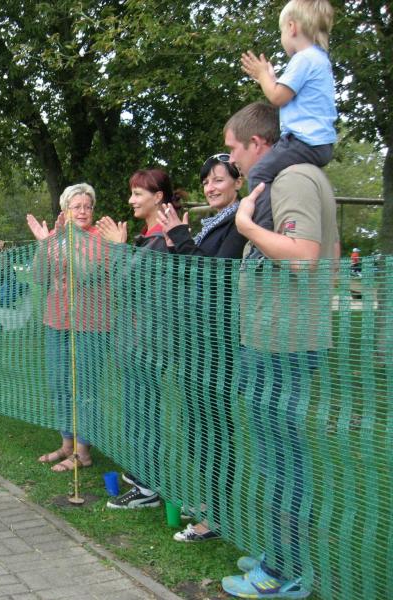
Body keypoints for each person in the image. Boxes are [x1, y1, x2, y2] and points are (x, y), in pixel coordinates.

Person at [220, 101, 338, 599]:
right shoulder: (284, 179)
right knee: (276, 457)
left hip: (284, 343)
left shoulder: (293, 180)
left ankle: (282, 571)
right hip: (274, 339)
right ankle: (279, 553)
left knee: (282, 461)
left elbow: (304, 258)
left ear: (258, 143)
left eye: (233, 149)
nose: (231, 161)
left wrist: (246, 227)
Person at [155, 155, 247, 542]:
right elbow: (190, 274)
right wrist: (176, 243)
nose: (210, 187)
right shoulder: (213, 224)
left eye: (218, 180)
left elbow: (212, 274)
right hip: (194, 341)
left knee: (214, 428)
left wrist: (179, 235)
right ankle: (210, 503)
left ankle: (217, 517)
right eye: (206, 181)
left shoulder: (239, 222)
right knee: (196, 427)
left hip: (217, 344)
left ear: (238, 182)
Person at [98, 169, 183, 510]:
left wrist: (117, 249)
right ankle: (141, 477)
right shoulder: (148, 236)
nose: (131, 200)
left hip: (148, 343)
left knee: (143, 413)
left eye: (138, 194)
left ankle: (147, 486)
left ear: (158, 197)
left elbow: (128, 285)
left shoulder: (161, 239)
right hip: (134, 340)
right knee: (136, 411)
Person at [27, 183, 116, 473]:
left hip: (91, 325)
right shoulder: (57, 237)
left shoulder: (101, 238)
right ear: (65, 210)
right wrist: (45, 245)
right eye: (76, 206)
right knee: (60, 384)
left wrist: (61, 244)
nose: (83, 211)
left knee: (85, 387)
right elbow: (39, 276)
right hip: (57, 320)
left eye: (88, 206)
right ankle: (67, 443)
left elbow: (85, 273)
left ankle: (83, 451)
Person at [240, 0, 336, 261]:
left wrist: (263, 76)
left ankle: (263, 239)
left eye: (281, 31)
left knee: (259, 174)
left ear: (292, 27)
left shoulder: (303, 58)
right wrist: (270, 77)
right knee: (273, 173)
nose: (282, 37)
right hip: (321, 143)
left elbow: (276, 96)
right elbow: (287, 93)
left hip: (303, 141)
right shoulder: (320, 59)